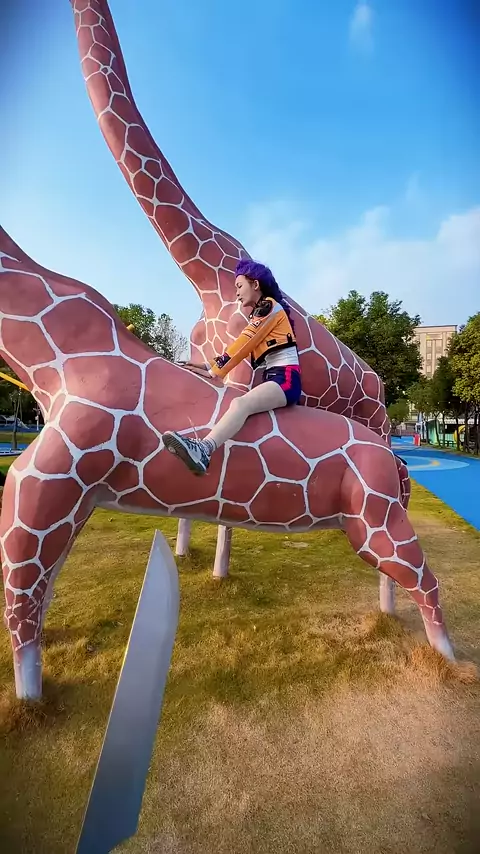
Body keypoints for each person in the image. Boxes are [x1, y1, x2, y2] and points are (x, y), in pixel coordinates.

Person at [162, 259, 302, 475]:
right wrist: (206, 364)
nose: (237, 293)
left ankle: (204, 450)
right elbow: (239, 347)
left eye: (239, 286)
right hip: (274, 377)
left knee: (240, 404)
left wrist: (214, 372)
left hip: (285, 379)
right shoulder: (265, 310)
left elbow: (245, 343)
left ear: (255, 284)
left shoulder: (269, 307)